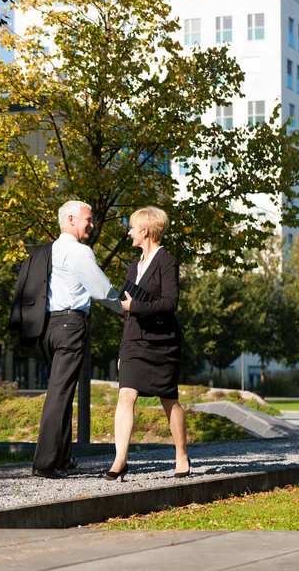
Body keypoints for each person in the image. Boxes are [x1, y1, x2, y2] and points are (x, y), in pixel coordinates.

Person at [8, 200, 124, 479]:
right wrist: (122, 307)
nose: (92, 224)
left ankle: (61, 458)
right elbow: (101, 290)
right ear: (71, 219)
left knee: (63, 389)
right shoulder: (79, 252)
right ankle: (45, 463)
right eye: (89, 219)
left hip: (47, 328)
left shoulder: (43, 251)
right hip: (71, 326)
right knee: (60, 392)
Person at [104, 206, 189, 481]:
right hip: (134, 340)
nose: (129, 232)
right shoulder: (133, 266)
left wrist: (135, 305)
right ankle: (120, 460)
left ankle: (181, 454)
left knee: (169, 400)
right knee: (125, 395)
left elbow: (170, 303)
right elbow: (127, 308)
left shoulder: (167, 261)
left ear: (145, 231)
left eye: (132, 228)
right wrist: (122, 348)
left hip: (162, 341)